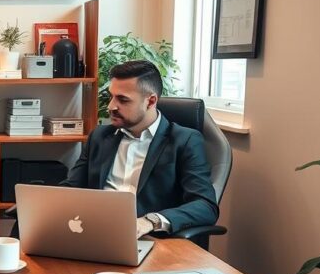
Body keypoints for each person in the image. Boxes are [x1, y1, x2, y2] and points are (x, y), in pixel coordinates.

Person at [58, 60, 218, 237]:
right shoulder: (100, 137)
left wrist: (150, 221)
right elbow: (71, 188)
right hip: (94, 233)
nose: (111, 106)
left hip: (149, 240)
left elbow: (205, 206)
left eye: (123, 99)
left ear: (150, 101)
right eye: (111, 96)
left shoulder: (184, 140)